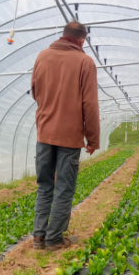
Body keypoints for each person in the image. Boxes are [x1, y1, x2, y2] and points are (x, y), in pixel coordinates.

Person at [30, 21, 100, 252]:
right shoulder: (85, 62)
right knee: (64, 188)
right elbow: (89, 104)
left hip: (44, 132)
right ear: (81, 40)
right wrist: (93, 138)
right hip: (69, 137)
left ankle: (39, 237)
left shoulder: (42, 56)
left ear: (64, 36)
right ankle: (54, 240)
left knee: (44, 185)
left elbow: (35, 91)